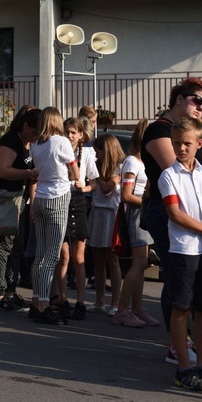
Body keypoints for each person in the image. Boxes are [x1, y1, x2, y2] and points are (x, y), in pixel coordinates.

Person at [141, 77, 202, 366]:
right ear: (179, 99)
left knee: (201, 285)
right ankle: (179, 346)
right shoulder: (159, 130)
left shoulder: (201, 133)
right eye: (197, 100)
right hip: (170, 213)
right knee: (178, 281)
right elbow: (175, 168)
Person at [160, 117, 202, 391]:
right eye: (176, 143)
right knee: (181, 308)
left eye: (187, 143)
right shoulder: (169, 176)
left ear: (199, 143)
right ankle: (183, 368)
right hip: (184, 250)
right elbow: (175, 214)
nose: (181, 148)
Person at [29, 107, 80, 324]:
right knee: (52, 255)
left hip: (40, 197)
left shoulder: (36, 144)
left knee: (40, 254)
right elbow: (73, 166)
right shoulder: (61, 142)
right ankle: (43, 303)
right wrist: (77, 179)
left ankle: (36, 301)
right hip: (57, 196)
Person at [0, 108, 40, 311]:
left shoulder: (27, 143)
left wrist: (32, 201)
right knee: (3, 247)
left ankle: (10, 290)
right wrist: (29, 172)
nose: (36, 137)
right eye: (35, 132)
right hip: (5, 200)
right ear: (25, 126)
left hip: (21, 202)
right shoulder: (10, 140)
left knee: (17, 247)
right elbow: (3, 170)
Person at [114, 118, 160, 327]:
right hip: (136, 214)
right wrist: (148, 201)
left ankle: (137, 308)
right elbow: (126, 195)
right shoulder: (132, 161)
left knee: (141, 264)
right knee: (139, 263)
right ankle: (123, 310)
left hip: (142, 213)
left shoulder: (140, 162)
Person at [51, 117, 97, 321]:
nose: (69, 136)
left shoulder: (87, 153)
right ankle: (62, 299)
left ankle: (80, 301)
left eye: (73, 132)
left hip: (78, 202)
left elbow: (93, 183)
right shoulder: (59, 150)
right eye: (66, 132)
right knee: (63, 256)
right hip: (61, 199)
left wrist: (84, 187)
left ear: (81, 135)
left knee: (79, 257)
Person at [87, 134, 125, 315]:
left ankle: (115, 303)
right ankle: (99, 301)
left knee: (112, 259)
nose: (96, 156)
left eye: (98, 152)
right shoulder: (96, 166)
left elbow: (107, 188)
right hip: (97, 213)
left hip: (112, 214)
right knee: (98, 260)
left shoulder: (121, 168)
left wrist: (108, 179)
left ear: (107, 151)